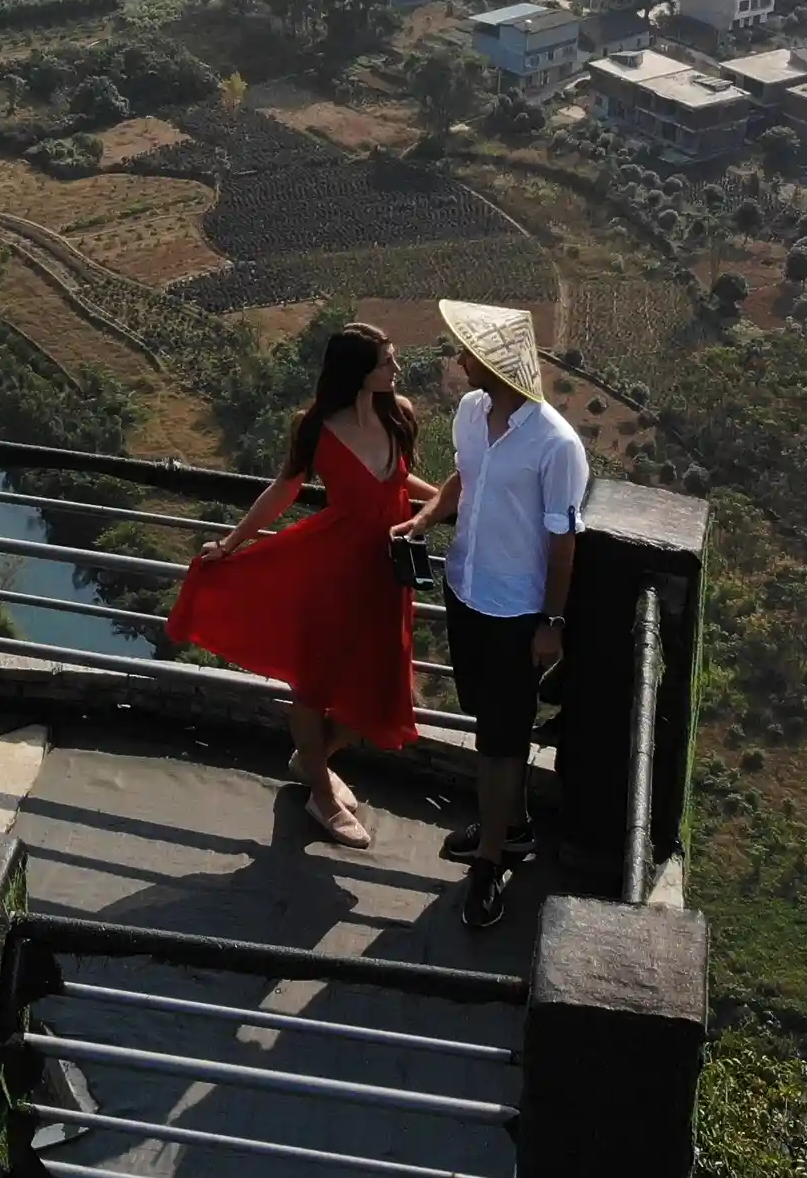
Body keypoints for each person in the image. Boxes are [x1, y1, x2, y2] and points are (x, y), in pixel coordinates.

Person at [167, 323, 437, 847]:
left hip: (385, 577)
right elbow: (283, 491)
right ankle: (321, 793)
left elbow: (397, 481)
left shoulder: (396, 413)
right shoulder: (315, 427)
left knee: (381, 690)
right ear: (358, 371)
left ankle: (312, 757)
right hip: (331, 572)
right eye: (387, 361)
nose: (397, 370)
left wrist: (448, 499)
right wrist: (231, 544)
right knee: (316, 688)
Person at [391, 299, 588, 929]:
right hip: (466, 589)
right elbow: (463, 476)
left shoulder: (556, 444)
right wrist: (426, 516)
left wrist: (552, 623)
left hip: (514, 610)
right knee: (488, 723)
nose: (457, 361)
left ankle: (489, 863)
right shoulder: (472, 413)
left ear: (494, 364)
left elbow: (564, 542)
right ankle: (514, 825)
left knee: (501, 741)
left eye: (466, 352)